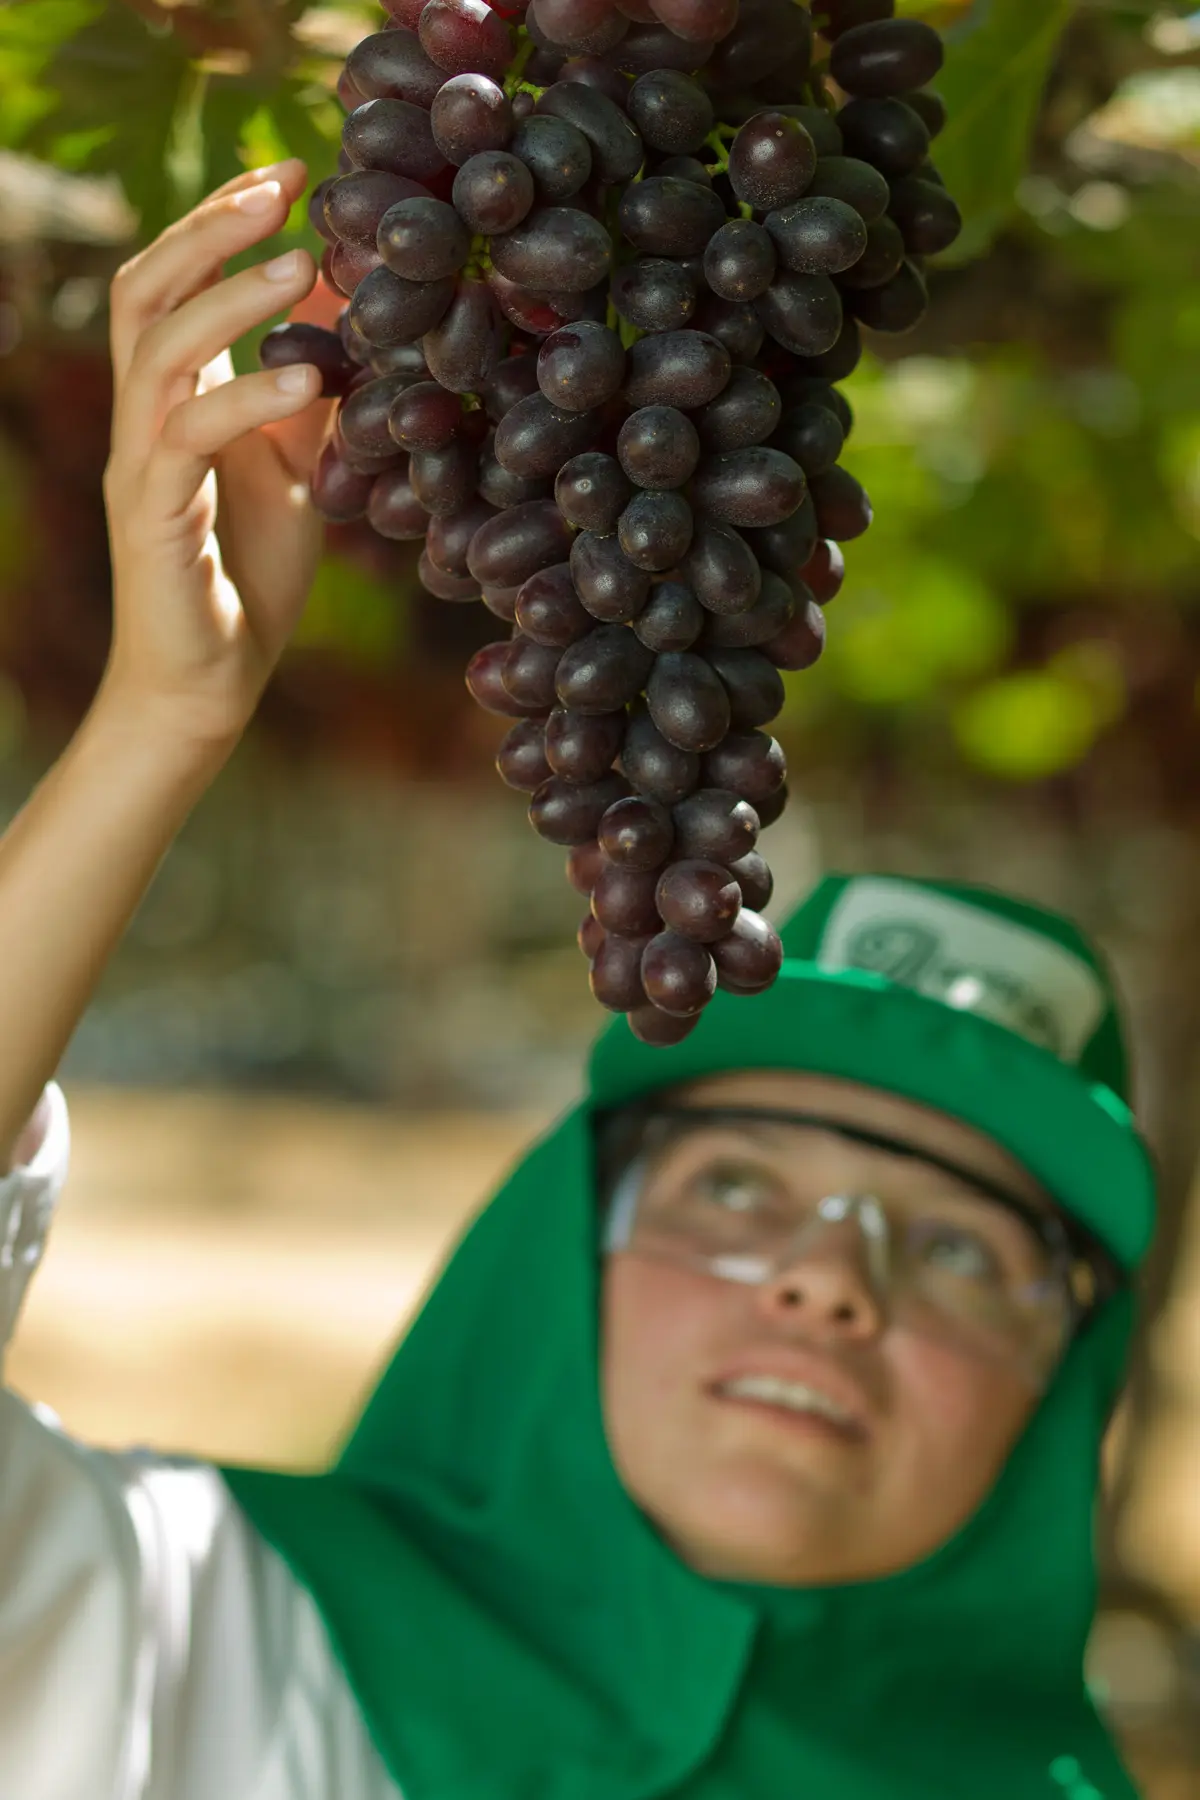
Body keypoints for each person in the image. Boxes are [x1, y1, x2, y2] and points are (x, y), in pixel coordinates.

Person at [0, 162, 1158, 1800]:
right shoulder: (202, 1646)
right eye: (742, 1183)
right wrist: (153, 731)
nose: (831, 1287)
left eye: (966, 1248)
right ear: (559, 1260)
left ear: (1061, 1394)